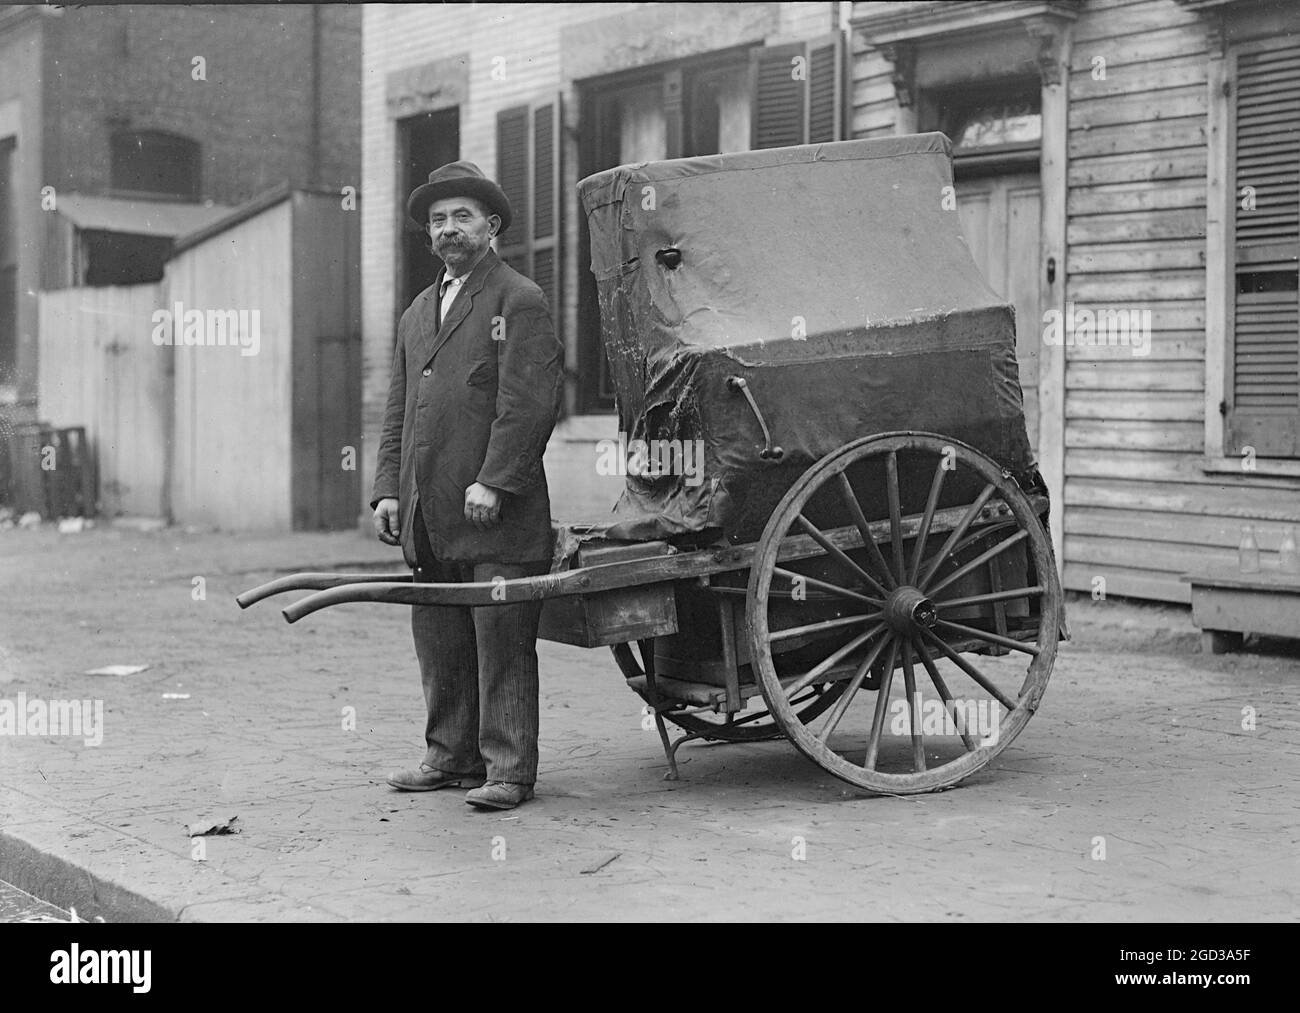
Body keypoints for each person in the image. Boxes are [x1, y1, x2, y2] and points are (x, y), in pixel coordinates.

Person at [371, 160, 563, 810]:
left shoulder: (518, 299)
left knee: (501, 638)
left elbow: (529, 403)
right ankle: (449, 755)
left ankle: (508, 769)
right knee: (441, 634)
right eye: (437, 220)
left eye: (461, 217)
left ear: (492, 226)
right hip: (431, 513)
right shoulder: (418, 311)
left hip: (496, 516)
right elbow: (399, 408)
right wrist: (388, 491)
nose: (448, 229)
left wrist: (495, 480)